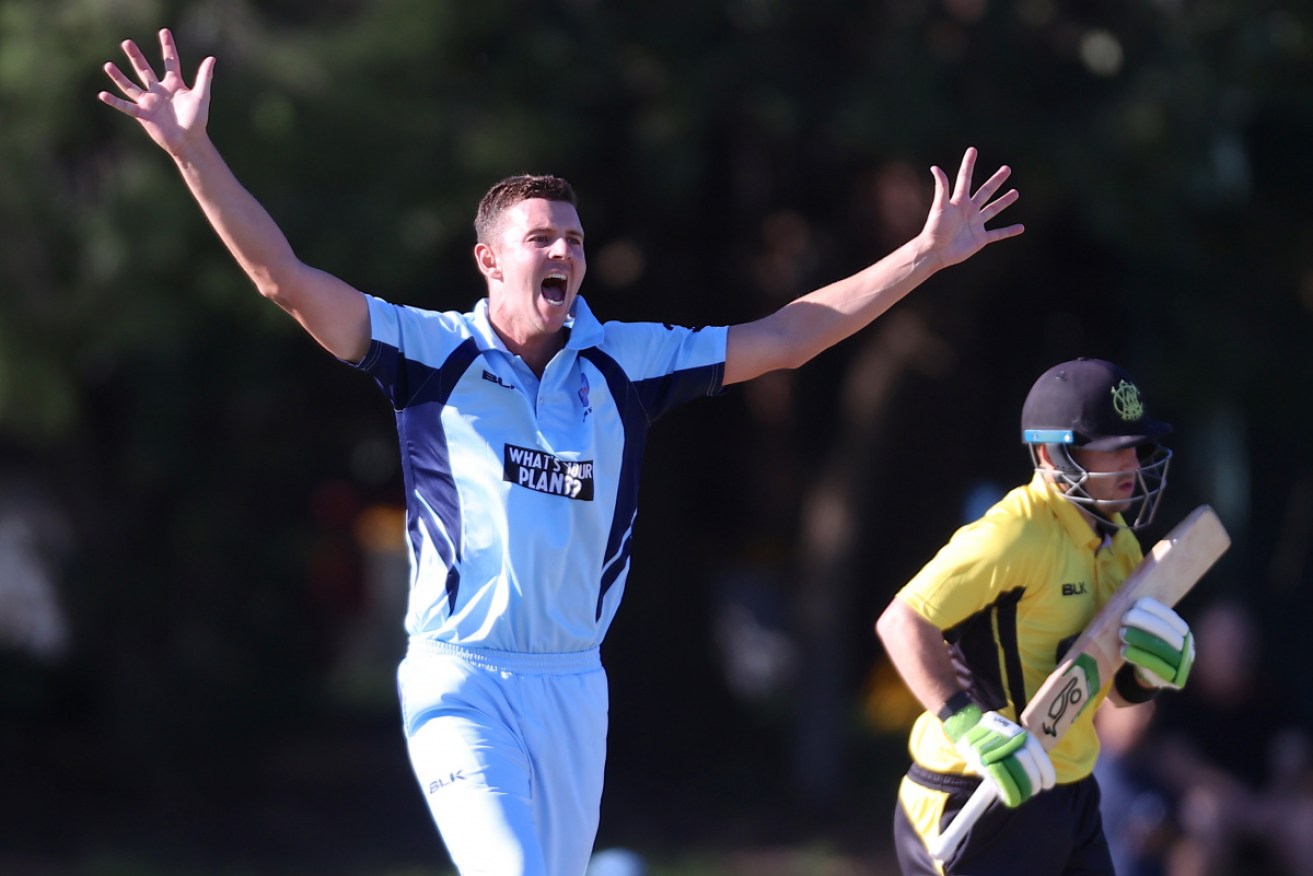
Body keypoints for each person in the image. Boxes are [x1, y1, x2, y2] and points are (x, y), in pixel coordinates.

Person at [99, 28, 1024, 876]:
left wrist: (923, 256)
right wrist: (192, 149)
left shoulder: (625, 361)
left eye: (574, 240)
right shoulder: (429, 353)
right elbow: (284, 279)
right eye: (540, 238)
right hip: (457, 675)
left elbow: (783, 338)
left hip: (574, 686)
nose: (565, 253)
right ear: (488, 262)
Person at [875, 357, 1198, 875]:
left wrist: (1148, 674)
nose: (1133, 467)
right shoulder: (1015, 532)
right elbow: (902, 621)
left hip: (1069, 793)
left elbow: (1113, 689)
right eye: (1115, 452)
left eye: (1135, 449)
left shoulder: (1121, 546)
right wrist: (967, 724)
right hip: (975, 792)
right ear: (1053, 454)